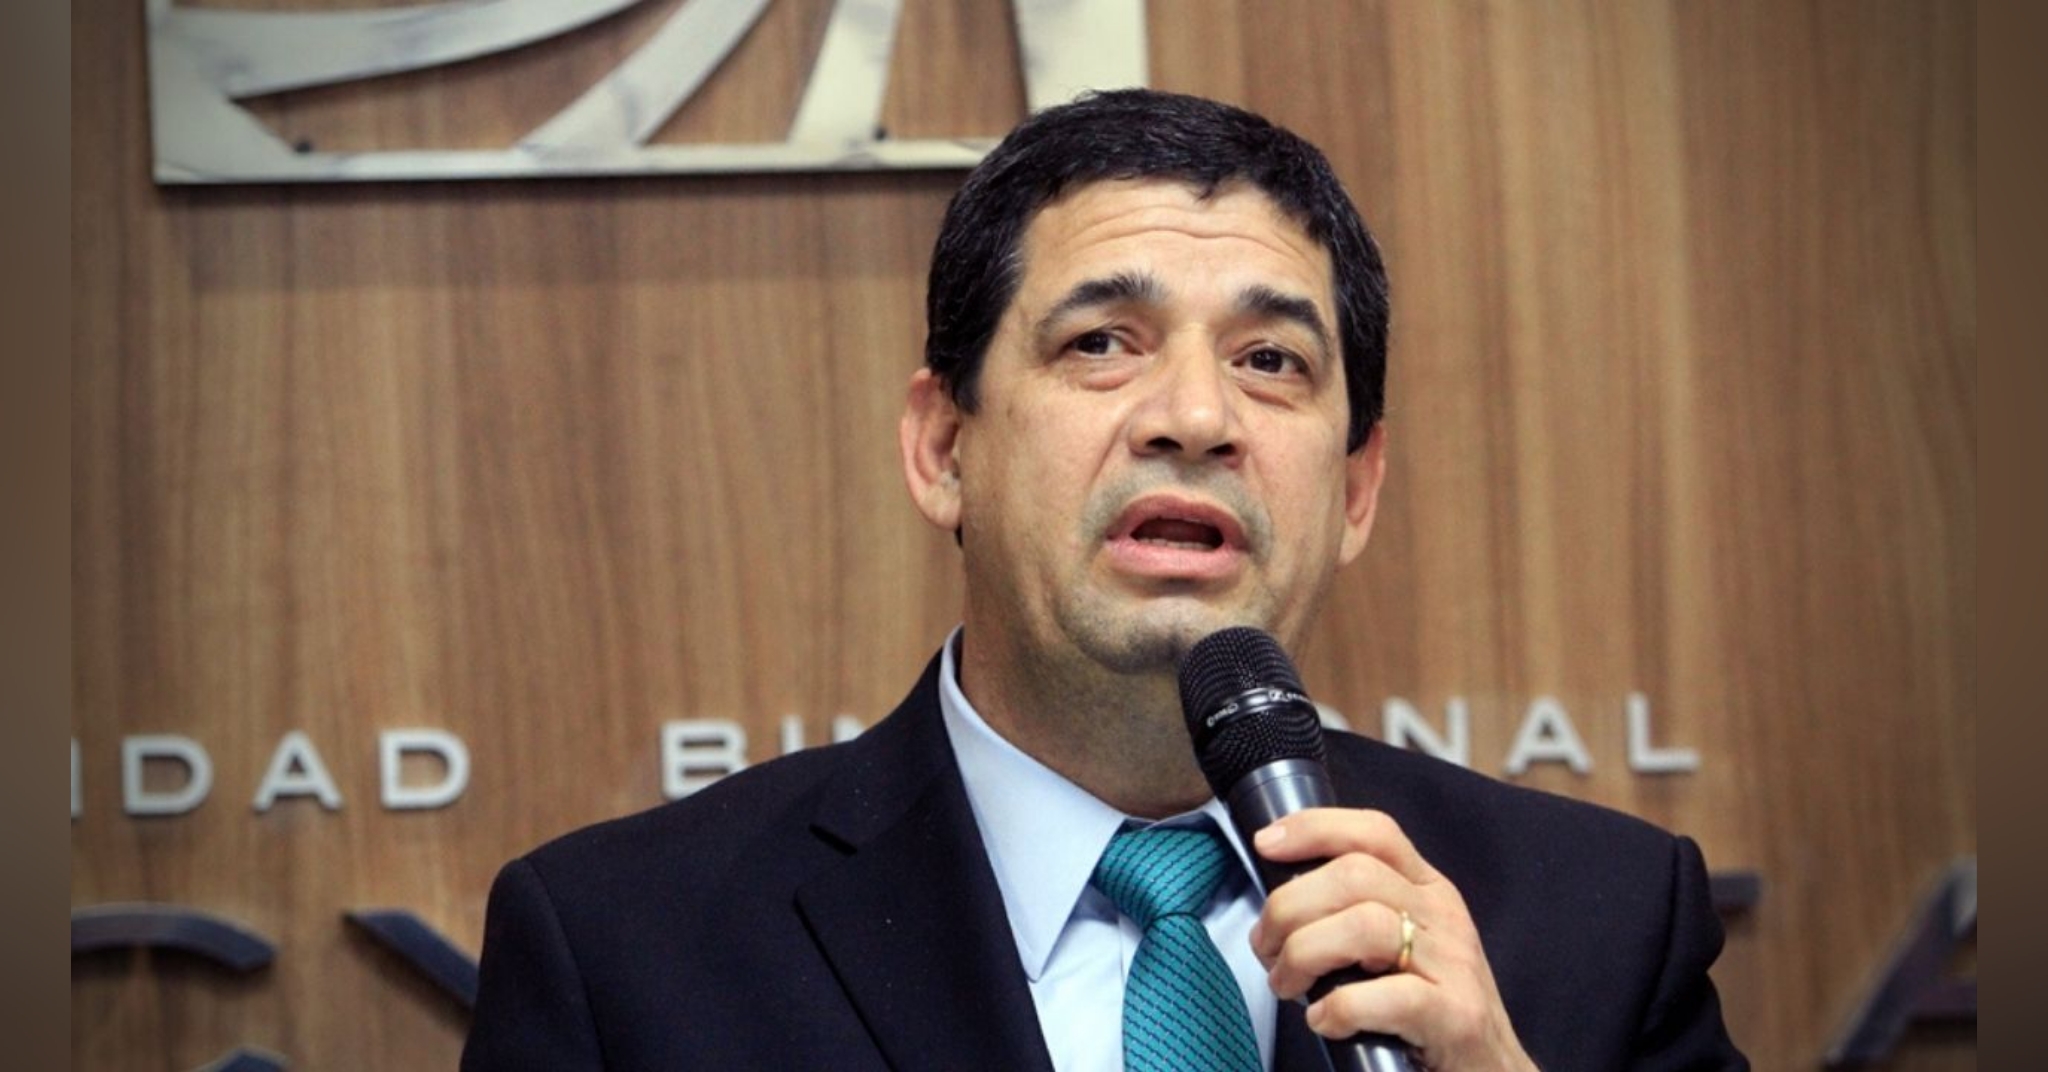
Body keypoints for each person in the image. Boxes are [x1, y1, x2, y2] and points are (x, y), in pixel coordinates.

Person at [463, 89, 1746, 1071]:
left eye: (1270, 360)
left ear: (1355, 489)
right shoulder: (624, 950)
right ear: (943, 449)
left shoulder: (1599, 924)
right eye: (1100, 343)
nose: (1193, 416)